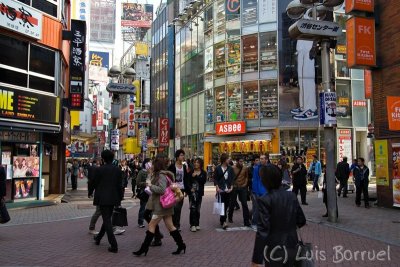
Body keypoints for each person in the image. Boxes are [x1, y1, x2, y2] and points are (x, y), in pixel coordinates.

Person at [251, 164, 306, 266]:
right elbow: (301, 220)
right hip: (292, 245)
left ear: (265, 181)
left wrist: (256, 259)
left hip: (274, 249)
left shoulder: (264, 200)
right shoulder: (291, 196)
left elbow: (262, 231)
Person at [133, 154, 186, 256]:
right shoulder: (160, 174)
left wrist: (151, 186)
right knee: (170, 226)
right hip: (166, 205)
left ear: (157, 165)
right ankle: (181, 245)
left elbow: (161, 190)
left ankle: (144, 248)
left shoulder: (161, 175)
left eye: (153, 163)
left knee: (152, 225)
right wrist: (150, 176)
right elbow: (149, 183)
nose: (151, 165)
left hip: (161, 205)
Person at [92, 150, 123, 253]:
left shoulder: (99, 169)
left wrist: (90, 192)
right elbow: (120, 185)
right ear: (113, 158)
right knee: (107, 218)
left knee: (107, 220)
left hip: (102, 197)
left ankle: (114, 244)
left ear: (103, 158)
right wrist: (120, 197)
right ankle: (98, 238)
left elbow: (94, 183)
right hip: (114, 197)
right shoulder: (118, 170)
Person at [168, 149, 189, 231]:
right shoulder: (172, 166)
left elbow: (186, 178)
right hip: (174, 189)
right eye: (181, 155)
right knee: (174, 208)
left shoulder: (184, 166)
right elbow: (168, 177)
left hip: (182, 189)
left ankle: (177, 225)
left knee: (179, 208)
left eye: (183, 155)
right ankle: (174, 224)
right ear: (177, 157)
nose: (183, 156)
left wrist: (187, 190)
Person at [228, 157, 251, 227]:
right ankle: (230, 216)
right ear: (237, 161)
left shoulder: (245, 168)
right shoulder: (232, 168)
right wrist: (232, 185)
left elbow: (247, 177)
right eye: (240, 161)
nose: (241, 163)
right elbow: (230, 178)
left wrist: (245, 184)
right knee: (232, 203)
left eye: (242, 161)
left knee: (244, 204)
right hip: (235, 187)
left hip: (242, 188)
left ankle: (246, 221)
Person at [214, 153, 234, 230]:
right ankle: (224, 221)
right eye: (228, 158)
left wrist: (231, 187)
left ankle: (222, 220)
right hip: (221, 189)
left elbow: (232, 178)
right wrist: (217, 187)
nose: (229, 160)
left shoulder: (230, 168)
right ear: (224, 160)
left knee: (226, 205)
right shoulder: (218, 168)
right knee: (222, 205)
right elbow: (215, 178)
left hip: (228, 189)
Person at [188, 158, 207, 232]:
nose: (196, 164)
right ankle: (192, 225)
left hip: (199, 193)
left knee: (198, 209)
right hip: (192, 194)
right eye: (195, 162)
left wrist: (196, 176)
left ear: (200, 164)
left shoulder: (203, 173)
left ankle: (197, 224)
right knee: (192, 208)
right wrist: (190, 189)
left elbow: (203, 181)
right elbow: (188, 182)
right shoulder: (190, 172)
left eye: (198, 162)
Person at [251, 154, 268, 229]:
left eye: (262, 159)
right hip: (258, 191)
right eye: (260, 159)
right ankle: (255, 223)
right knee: (257, 208)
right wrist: (255, 192)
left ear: (266, 160)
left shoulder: (270, 168)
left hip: (267, 191)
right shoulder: (256, 168)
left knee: (266, 208)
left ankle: (265, 222)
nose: (261, 160)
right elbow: (255, 180)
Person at [136, 158, 151, 228]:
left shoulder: (151, 172)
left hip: (151, 192)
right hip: (144, 192)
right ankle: (140, 222)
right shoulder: (141, 172)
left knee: (151, 208)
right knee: (143, 207)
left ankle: (151, 222)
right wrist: (145, 184)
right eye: (149, 162)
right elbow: (138, 182)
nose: (150, 164)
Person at [88, 160, 100, 235]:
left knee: (106, 213)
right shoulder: (99, 170)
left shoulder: (96, 168)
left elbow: (92, 182)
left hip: (99, 194)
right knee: (99, 212)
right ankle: (91, 228)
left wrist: (90, 192)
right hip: (101, 195)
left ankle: (112, 228)